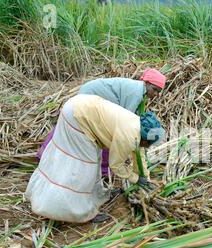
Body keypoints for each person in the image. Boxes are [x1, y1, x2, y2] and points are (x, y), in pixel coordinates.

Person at [25, 94, 164, 223]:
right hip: (78, 117)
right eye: (149, 144)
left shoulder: (137, 127)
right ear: (146, 139)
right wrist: (136, 179)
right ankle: (81, 212)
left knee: (93, 162)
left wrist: (145, 176)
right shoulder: (128, 137)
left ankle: (92, 197)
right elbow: (116, 165)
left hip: (79, 106)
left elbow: (139, 155)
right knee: (85, 167)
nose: (148, 147)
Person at [37, 68, 166, 177]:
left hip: (91, 100)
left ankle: (47, 152)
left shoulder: (141, 93)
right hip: (89, 98)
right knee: (97, 131)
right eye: (154, 89)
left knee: (73, 124)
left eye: (158, 92)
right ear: (147, 83)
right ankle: (103, 170)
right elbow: (126, 123)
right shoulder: (136, 92)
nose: (156, 94)